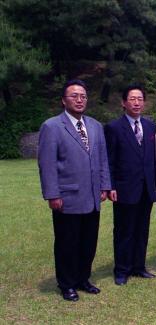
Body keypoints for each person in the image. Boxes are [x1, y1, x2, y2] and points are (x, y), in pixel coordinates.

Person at [38, 79, 111, 301]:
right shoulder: (52, 126)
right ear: (63, 100)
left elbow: (102, 159)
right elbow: (47, 163)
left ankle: (82, 279)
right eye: (74, 96)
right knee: (67, 242)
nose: (79, 100)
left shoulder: (96, 126)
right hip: (67, 197)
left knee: (88, 242)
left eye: (83, 96)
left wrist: (105, 185)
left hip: (92, 196)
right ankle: (67, 283)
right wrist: (52, 194)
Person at [104, 84, 156, 285]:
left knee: (142, 229)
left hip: (146, 188)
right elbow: (109, 159)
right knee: (124, 231)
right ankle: (122, 270)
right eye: (132, 99)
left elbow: (152, 159)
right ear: (123, 103)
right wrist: (111, 186)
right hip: (124, 188)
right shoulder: (113, 128)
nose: (136, 102)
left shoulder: (151, 127)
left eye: (140, 99)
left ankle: (138, 266)